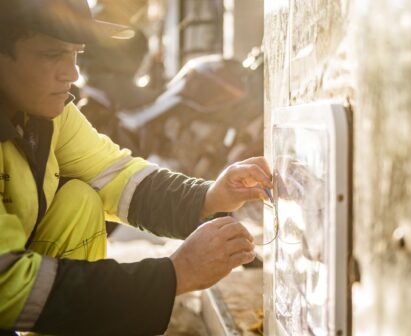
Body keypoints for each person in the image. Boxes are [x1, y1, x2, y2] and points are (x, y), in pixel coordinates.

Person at [0, 1, 271, 335]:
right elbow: (5, 286)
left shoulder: (46, 116)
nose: (71, 73)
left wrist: (210, 196)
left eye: (75, 54)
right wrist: (176, 273)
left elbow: (118, 176)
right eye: (51, 54)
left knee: (80, 199)